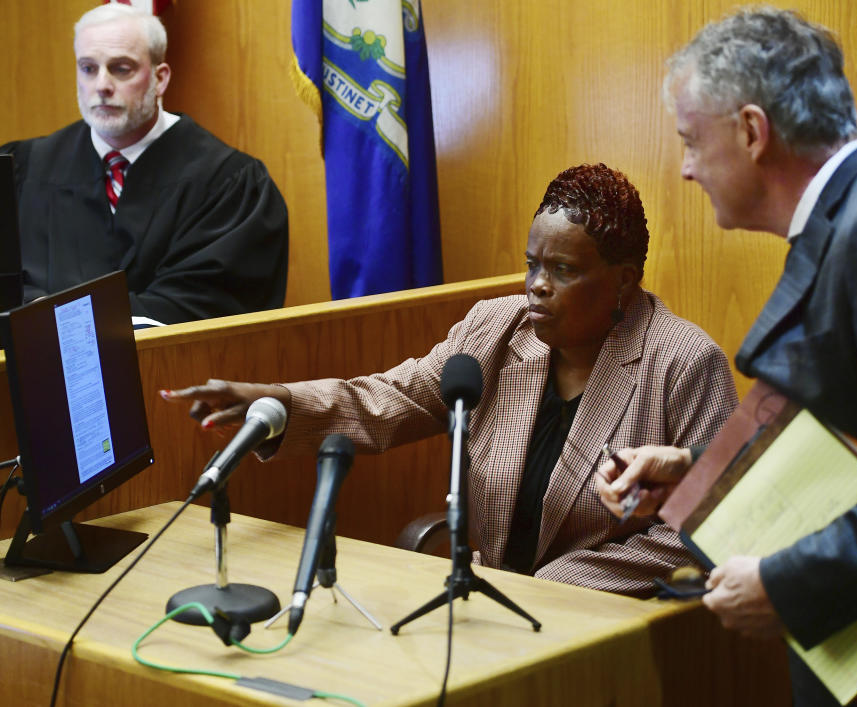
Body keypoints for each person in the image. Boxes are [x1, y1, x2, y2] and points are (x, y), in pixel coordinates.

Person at [595, 6, 857, 704]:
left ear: (753, 132)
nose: (685, 171)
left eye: (691, 142)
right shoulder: (855, 217)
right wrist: (698, 469)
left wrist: (786, 581)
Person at [163, 163, 738, 596]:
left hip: (610, 625)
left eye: (564, 270)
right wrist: (274, 404)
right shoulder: (497, 328)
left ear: (624, 282)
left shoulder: (682, 361)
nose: (537, 286)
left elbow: (709, 525)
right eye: (533, 264)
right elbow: (389, 399)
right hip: (489, 611)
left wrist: (559, 585)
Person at [0, 4, 288, 325]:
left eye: (121, 68)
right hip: (38, 371)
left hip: (171, 371)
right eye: (88, 68)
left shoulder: (229, 182)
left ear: (160, 78)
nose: (102, 85)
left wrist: (56, 318)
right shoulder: (24, 170)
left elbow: (205, 304)